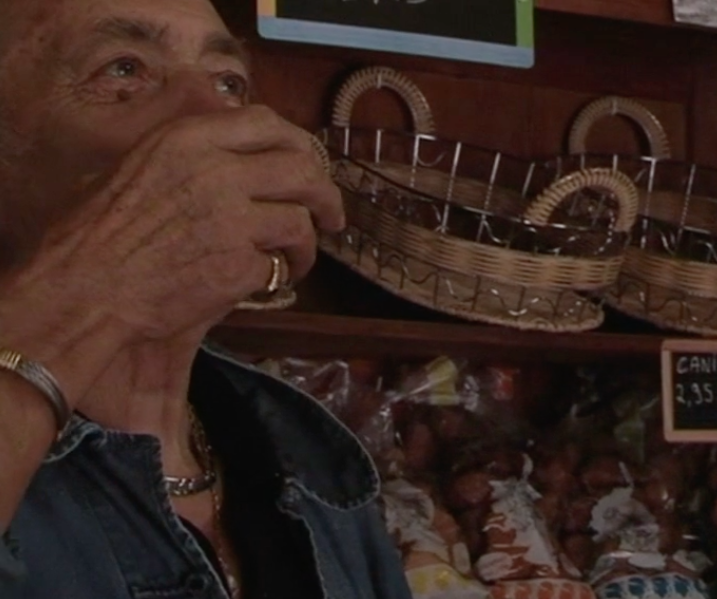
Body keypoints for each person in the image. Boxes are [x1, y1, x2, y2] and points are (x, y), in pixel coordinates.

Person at [0, 0, 413, 597]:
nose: (215, 118)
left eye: (228, 82)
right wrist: (86, 297)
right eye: (124, 70)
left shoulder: (306, 453)